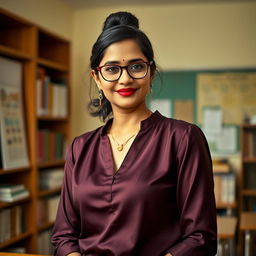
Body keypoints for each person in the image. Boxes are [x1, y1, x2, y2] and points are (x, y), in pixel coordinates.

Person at [51, 11, 217, 256]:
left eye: (136, 66)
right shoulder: (80, 147)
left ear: (151, 72)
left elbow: (201, 237)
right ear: (96, 77)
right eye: (111, 69)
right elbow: (64, 235)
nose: (125, 78)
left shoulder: (183, 138)